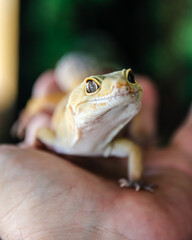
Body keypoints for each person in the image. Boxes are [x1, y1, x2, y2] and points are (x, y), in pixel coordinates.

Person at [0, 72, 192, 240]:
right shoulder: (56, 139)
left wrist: (136, 180)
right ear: (74, 107)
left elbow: (134, 150)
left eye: (130, 78)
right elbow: (41, 132)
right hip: (69, 112)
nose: (121, 86)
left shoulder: (110, 143)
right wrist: (32, 139)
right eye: (92, 87)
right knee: (42, 102)